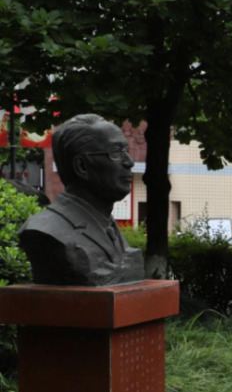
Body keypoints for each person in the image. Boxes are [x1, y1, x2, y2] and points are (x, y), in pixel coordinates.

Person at [18, 114, 144, 286]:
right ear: (81, 166)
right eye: (115, 152)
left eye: (125, 151)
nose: (129, 162)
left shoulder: (107, 224)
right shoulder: (45, 230)